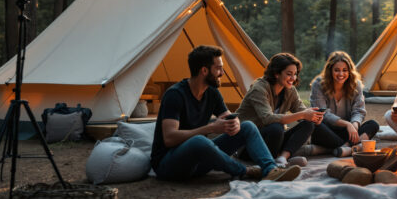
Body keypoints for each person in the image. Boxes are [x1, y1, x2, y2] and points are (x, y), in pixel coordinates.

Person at [150, 45, 300, 182]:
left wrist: (234, 123)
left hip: (198, 163)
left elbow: (229, 117)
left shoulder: (212, 92)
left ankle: (270, 170)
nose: (222, 73)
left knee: (247, 126)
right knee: (200, 141)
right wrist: (209, 128)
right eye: (219, 69)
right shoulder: (175, 95)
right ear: (204, 70)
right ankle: (245, 171)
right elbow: (169, 138)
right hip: (169, 165)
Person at [237, 52, 323, 167]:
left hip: (274, 140)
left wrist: (314, 116)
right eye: (289, 74)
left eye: (295, 74)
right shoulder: (259, 89)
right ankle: (271, 161)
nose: (293, 78)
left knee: (308, 124)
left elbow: (301, 109)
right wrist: (303, 115)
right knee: (276, 127)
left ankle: (282, 158)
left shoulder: (289, 90)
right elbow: (268, 119)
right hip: (248, 144)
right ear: (277, 73)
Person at [308, 51, 380, 157]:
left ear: (349, 71)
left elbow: (359, 110)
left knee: (373, 124)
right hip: (327, 130)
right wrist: (347, 124)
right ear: (330, 71)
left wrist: (354, 125)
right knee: (314, 126)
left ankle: (341, 148)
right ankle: (353, 147)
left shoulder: (356, 85)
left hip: (347, 132)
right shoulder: (318, 84)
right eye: (337, 70)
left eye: (345, 70)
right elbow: (323, 114)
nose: (341, 74)